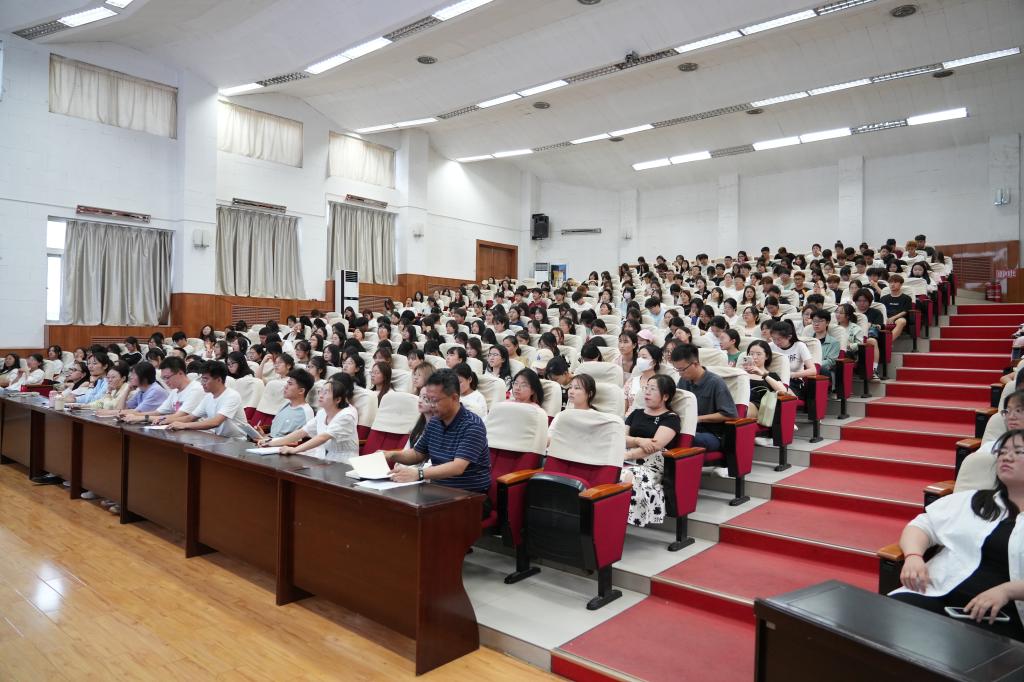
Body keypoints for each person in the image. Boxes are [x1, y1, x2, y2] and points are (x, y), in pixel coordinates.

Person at [890, 429, 1024, 641]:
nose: (1007, 457)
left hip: (998, 616)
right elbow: (922, 526)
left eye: (1018, 451)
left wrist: (1008, 591)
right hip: (936, 594)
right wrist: (913, 556)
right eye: (1003, 451)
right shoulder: (975, 501)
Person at [384, 369, 491, 507]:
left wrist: (419, 474)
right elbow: (417, 454)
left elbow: (457, 467)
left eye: (435, 400)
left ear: (454, 398)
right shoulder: (435, 421)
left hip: (470, 496)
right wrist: (391, 455)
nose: (431, 405)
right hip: (436, 490)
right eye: (428, 399)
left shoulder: (472, 425)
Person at [623, 375, 681, 527]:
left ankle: (620, 521)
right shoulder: (636, 413)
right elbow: (622, 438)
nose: (647, 392)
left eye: (653, 389)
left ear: (665, 396)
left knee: (627, 476)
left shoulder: (670, 418)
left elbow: (655, 446)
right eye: (646, 388)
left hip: (652, 465)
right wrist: (639, 441)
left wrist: (627, 454)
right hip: (626, 457)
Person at [262, 375, 359, 462]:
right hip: (323, 458)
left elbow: (322, 437)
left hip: (343, 463)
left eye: (326, 393)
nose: (321, 395)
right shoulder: (322, 412)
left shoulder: (346, 416)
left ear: (338, 399)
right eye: (320, 391)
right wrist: (272, 443)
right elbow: (303, 431)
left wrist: (294, 450)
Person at [671, 344, 737, 469]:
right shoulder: (684, 381)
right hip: (686, 428)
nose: (680, 374)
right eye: (677, 370)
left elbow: (729, 414)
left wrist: (698, 419)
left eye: (682, 369)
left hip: (710, 433)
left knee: (681, 438)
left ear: (695, 364)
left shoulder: (716, 383)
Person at [168, 361, 250, 438]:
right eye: (202, 379)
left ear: (219, 380)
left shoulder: (232, 396)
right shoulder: (208, 397)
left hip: (237, 440)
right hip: (219, 438)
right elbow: (190, 418)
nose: (202, 383)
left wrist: (184, 425)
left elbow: (215, 422)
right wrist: (167, 421)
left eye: (205, 379)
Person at [121, 357, 205, 424]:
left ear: (180, 373)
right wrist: (132, 415)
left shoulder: (196, 389)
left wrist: (143, 418)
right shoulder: (174, 391)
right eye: (163, 378)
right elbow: (158, 412)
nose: (165, 382)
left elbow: (179, 416)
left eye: (167, 377)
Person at [741, 341, 791, 445]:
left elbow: (783, 391)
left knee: (742, 407)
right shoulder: (740, 373)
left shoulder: (771, 375)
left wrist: (763, 374)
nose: (754, 357)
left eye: (758, 354)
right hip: (739, 400)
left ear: (766, 356)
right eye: (751, 354)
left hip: (758, 404)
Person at [265, 369, 316, 438]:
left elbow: (308, 438)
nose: (285, 386)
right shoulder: (285, 405)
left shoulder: (306, 412)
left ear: (301, 391)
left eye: (290, 384)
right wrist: (264, 435)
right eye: (287, 383)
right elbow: (276, 433)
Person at [769, 322, 816, 393]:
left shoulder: (800, 346)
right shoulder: (770, 346)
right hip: (774, 380)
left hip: (793, 381)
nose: (776, 342)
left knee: (781, 393)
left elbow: (813, 370)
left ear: (789, 337)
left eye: (779, 339)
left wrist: (791, 375)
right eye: (773, 339)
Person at [880, 273, 912, 342]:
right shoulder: (884, 298)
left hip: (899, 317)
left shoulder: (907, 298)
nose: (892, 284)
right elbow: (881, 310)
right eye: (890, 282)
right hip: (886, 317)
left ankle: (888, 342)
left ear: (901, 284)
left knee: (902, 321)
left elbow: (905, 311)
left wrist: (893, 318)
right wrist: (886, 318)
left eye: (895, 282)